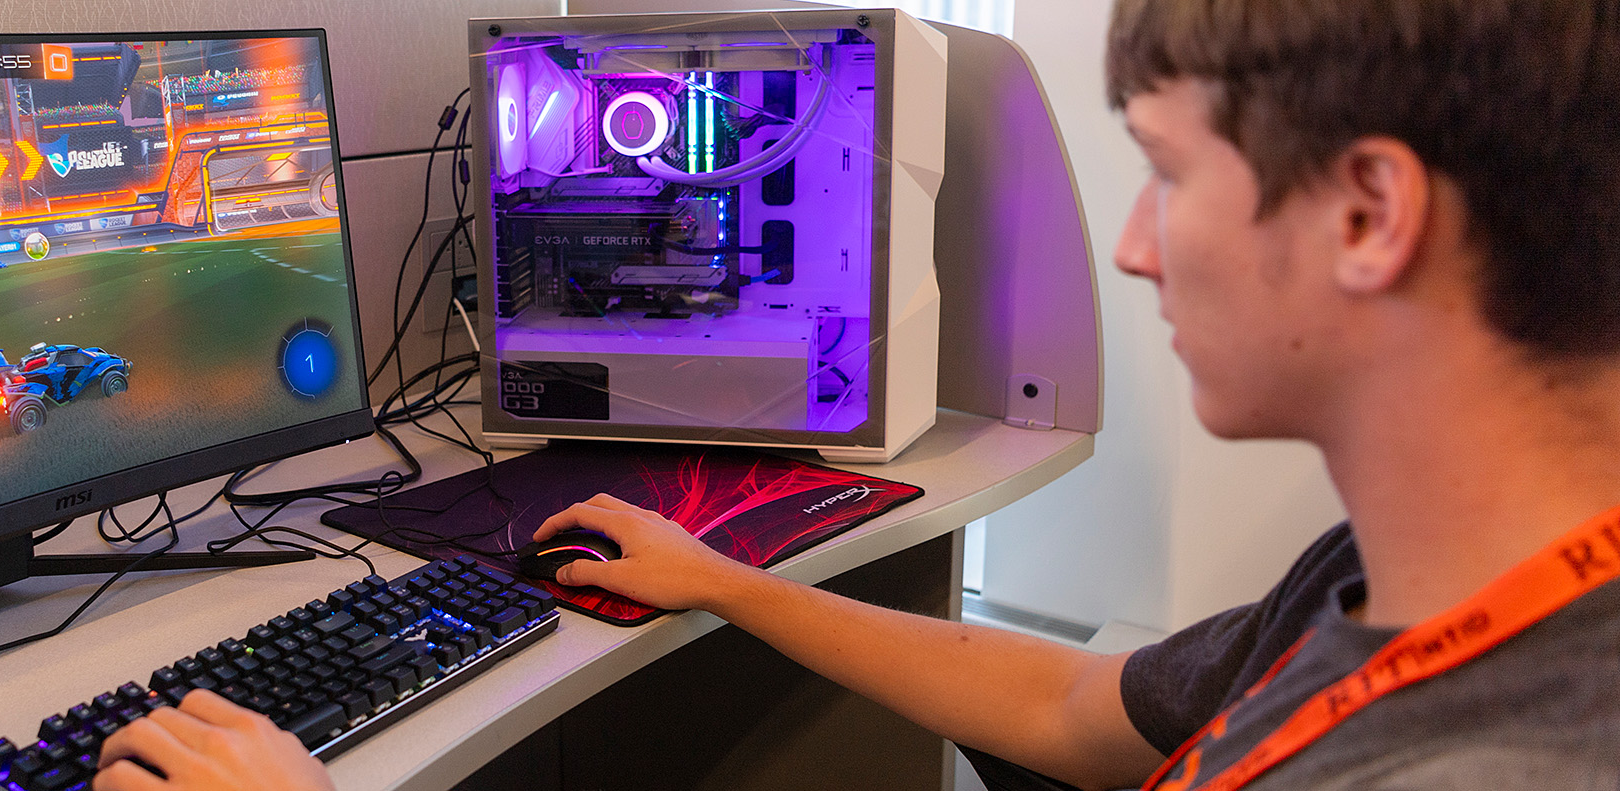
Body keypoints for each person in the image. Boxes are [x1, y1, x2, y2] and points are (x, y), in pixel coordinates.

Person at [91, 0, 1620, 788]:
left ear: (1369, 213)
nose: (1137, 248)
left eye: (1167, 174)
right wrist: (726, 586)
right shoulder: (1398, 585)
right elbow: (1088, 710)